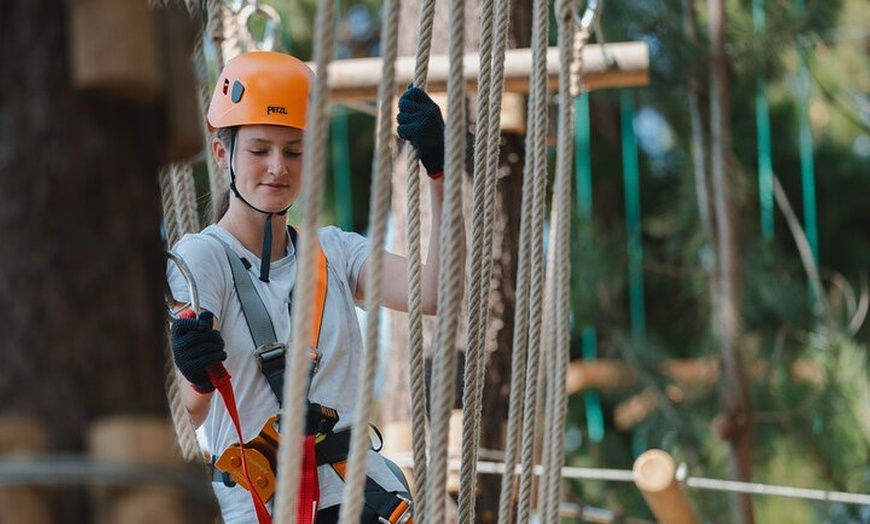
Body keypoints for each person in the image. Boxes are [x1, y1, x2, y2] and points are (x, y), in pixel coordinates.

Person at [166, 50, 447, 524]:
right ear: (222, 153)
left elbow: (438, 293)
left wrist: (439, 173)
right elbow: (188, 412)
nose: (277, 167)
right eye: (259, 150)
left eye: (293, 151)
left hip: (357, 498)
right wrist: (195, 375)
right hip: (258, 507)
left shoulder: (335, 253)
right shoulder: (203, 257)